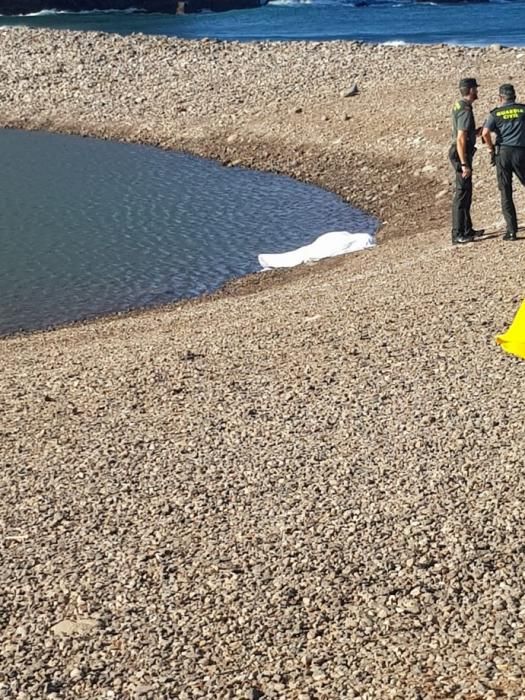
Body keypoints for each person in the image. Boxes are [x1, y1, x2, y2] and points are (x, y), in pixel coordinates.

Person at [482, 83, 525, 241]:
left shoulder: (495, 114)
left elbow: (485, 132)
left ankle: (512, 231)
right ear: (514, 96)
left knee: (506, 192)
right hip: (521, 152)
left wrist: (490, 148)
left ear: (500, 98)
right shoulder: (522, 109)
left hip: (504, 153)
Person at [449, 77, 484, 245]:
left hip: (461, 151)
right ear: (471, 90)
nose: (477, 91)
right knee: (462, 194)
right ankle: (458, 233)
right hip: (461, 153)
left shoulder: (460, 105)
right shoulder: (465, 110)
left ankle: (468, 229)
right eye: (475, 89)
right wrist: (464, 164)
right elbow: (461, 138)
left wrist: (477, 132)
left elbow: (465, 133)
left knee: (467, 192)